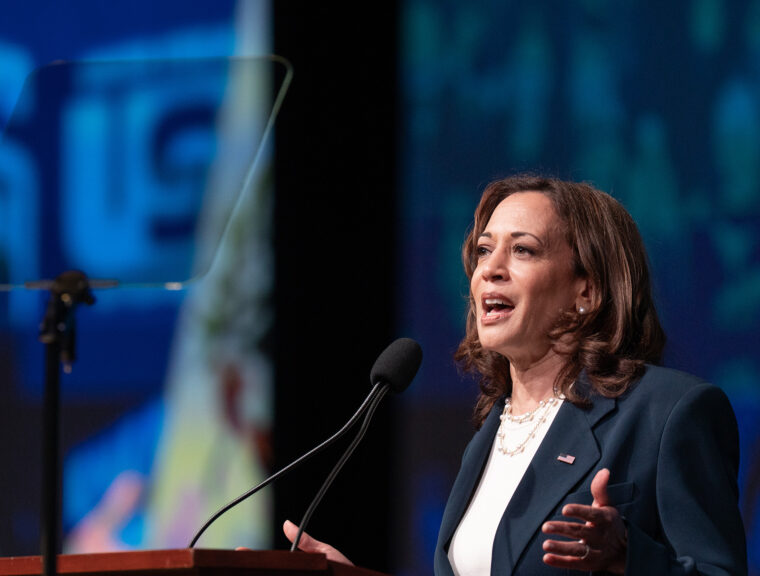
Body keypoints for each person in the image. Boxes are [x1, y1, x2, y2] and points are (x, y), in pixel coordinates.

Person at [287, 175, 747, 575]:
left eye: (522, 250)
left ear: (585, 290)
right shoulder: (490, 436)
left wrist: (627, 556)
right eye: (485, 250)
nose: (490, 269)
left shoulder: (668, 412)